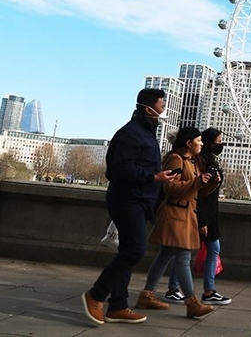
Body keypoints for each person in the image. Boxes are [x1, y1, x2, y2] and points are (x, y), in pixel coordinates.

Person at [81, 88, 179, 325]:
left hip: (139, 200)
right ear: (147, 108)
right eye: (161, 105)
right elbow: (116, 170)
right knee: (134, 250)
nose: (163, 109)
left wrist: (158, 178)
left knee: (127, 250)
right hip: (127, 200)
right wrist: (154, 178)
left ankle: (118, 306)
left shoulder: (145, 133)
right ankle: (95, 295)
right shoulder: (130, 134)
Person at [136, 126, 219, 319]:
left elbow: (195, 191)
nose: (201, 144)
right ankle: (192, 302)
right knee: (183, 258)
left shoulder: (193, 161)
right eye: (198, 141)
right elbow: (170, 188)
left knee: (165, 255)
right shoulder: (176, 159)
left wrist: (211, 183)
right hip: (176, 214)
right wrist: (198, 181)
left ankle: (147, 294)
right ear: (189, 143)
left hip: (186, 214)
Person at [163, 127, 232, 306]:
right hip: (197, 213)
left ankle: (169, 289)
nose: (221, 144)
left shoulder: (206, 160)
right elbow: (194, 192)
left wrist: (213, 183)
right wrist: (202, 219)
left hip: (205, 213)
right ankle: (198, 294)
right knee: (187, 253)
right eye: (218, 141)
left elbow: (203, 189)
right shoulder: (192, 161)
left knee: (174, 253)